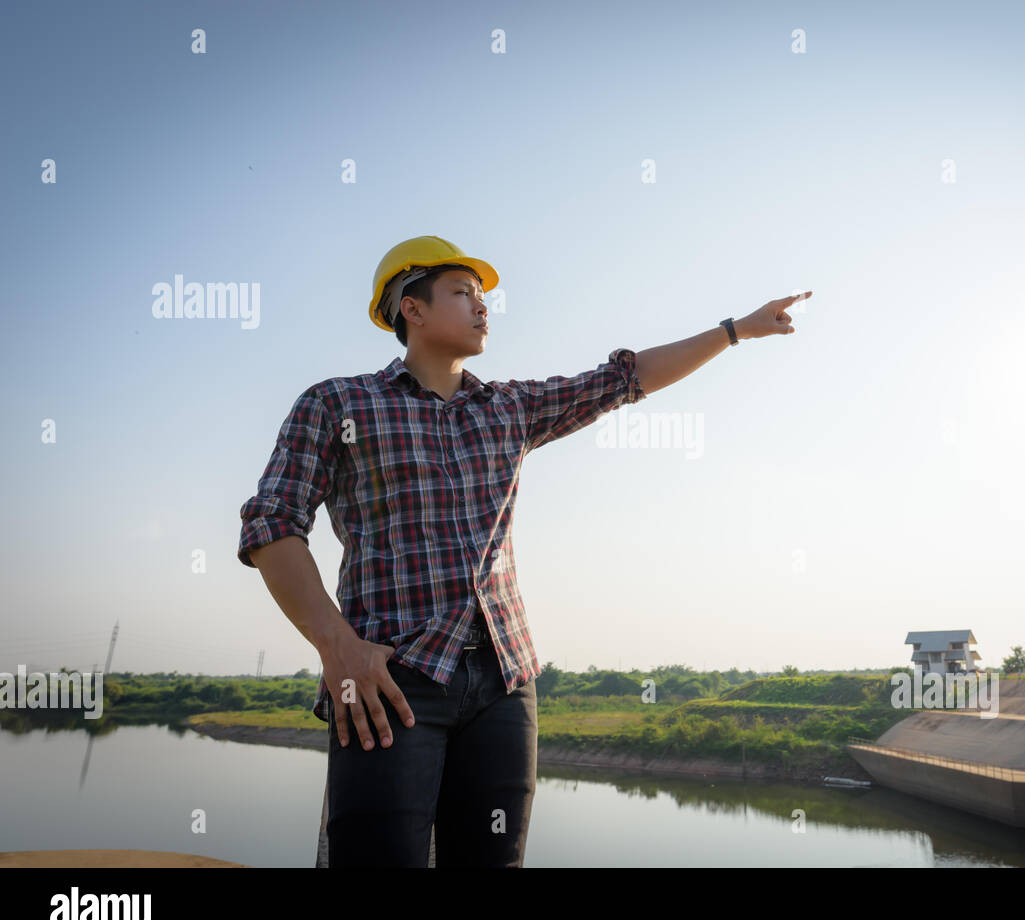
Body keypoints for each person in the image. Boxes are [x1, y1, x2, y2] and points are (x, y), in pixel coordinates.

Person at [237, 235, 811, 867]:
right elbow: (272, 520)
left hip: (505, 683)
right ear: (412, 308)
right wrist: (335, 644)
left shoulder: (508, 408)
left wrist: (735, 330)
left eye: (485, 297)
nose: (484, 307)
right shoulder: (338, 403)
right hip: (390, 680)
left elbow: (625, 379)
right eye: (462, 292)